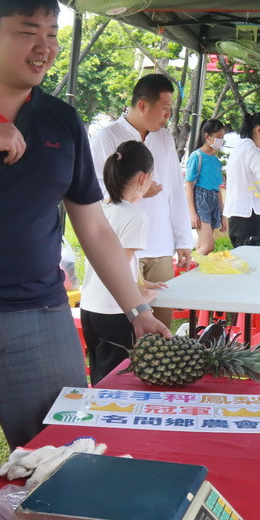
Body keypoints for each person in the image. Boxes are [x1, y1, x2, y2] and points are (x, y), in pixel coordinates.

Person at [0, 0, 168, 451]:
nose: (44, 47)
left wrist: (139, 310)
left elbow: (94, 226)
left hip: (39, 316)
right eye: (28, 32)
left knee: (65, 454)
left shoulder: (62, 121)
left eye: (52, 34)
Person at [90, 73, 193, 328]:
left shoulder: (165, 139)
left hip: (159, 244)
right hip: (121, 246)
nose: (168, 115)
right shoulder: (108, 137)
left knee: (160, 326)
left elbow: (175, 191)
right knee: (125, 325)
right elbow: (93, 189)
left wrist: (183, 241)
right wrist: (132, 192)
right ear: (143, 105)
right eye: (165, 109)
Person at [79, 140, 163, 381]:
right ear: (142, 179)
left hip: (90, 307)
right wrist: (139, 299)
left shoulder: (101, 209)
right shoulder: (135, 215)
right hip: (116, 311)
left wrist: (141, 284)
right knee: (116, 381)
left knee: (99, 375)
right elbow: (118, 267)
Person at [226, 111, 260, 247]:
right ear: (258, 130)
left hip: (238, 215)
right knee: (252, 262)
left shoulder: (240, 147)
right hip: (250, 216)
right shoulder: (253, 151)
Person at [184, 118, 227, 255]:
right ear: (207, 137)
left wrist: (222, 214)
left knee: (202, 246)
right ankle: (188, 270)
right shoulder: (196, 156)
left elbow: (218, 190)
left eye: (222, 137)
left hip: (213, 200)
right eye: (218, 137)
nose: (221, 140)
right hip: (200, 200)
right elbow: (189, 185)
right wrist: (192, 213)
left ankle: (193, 270)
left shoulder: (216, 161)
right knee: (208, 246)